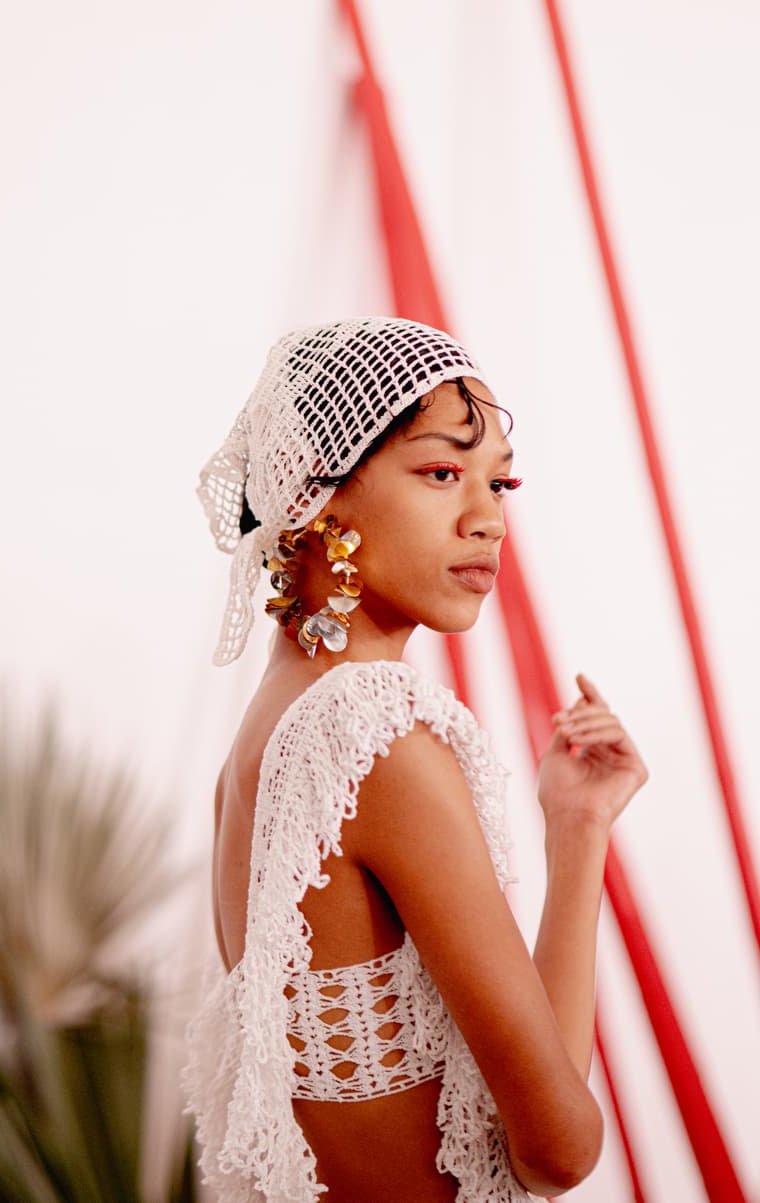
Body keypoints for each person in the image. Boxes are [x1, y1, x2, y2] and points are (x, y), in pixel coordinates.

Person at [183, 316, 648, 1202]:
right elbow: (556, 1150)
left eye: (500, 480)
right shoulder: (378, 738)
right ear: (316, 495)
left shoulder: (269, 736)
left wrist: (578, 822)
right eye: (442, 472)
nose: (489, 519)